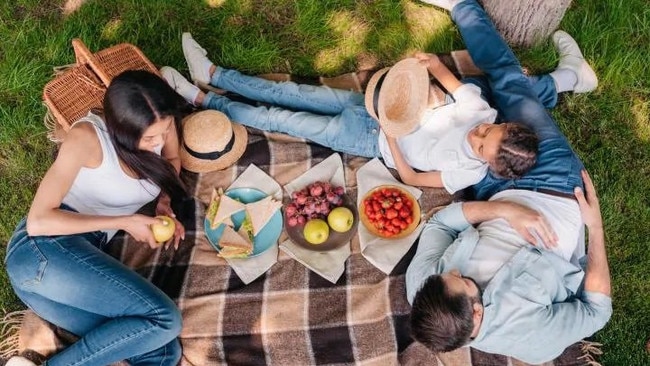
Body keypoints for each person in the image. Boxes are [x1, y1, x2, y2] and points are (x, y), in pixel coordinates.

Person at [405, 0, 611, 364]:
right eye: (461, 280)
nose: (451, 270)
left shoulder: (427, 289)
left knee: (476, 94)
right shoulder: (532, 338)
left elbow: (440, 223)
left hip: (492, 189)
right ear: (477, 313)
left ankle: (567, 78)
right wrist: (595, 228)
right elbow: (596, 311)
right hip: (557, 185)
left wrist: (504, 209)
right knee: (507, 84)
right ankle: (464, 8)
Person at [161, 30, 597, 195]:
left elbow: (411, 179)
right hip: (374, 108)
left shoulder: (466, 173)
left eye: (482, 144)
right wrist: (431, 65)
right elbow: (452, 84)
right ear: (501, 123)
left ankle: (205, 102)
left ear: (487, 162)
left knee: (282, 121)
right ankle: (215, 72)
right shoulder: (479, 110)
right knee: (293, 91)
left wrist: (390, 141)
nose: (478, 133)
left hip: (370, 139)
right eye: (489, 128)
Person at [4, 70, 189, 366]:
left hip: (69, 267)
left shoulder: (160, 122)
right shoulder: (87, 138)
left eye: (165, 130)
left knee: (162, 352)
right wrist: (124, 221)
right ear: (121, 129)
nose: (160, 140)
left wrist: (163, 202)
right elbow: (39, 221)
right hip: (42, 251)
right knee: (164, 319)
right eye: (150, 137)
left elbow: (171, 160)